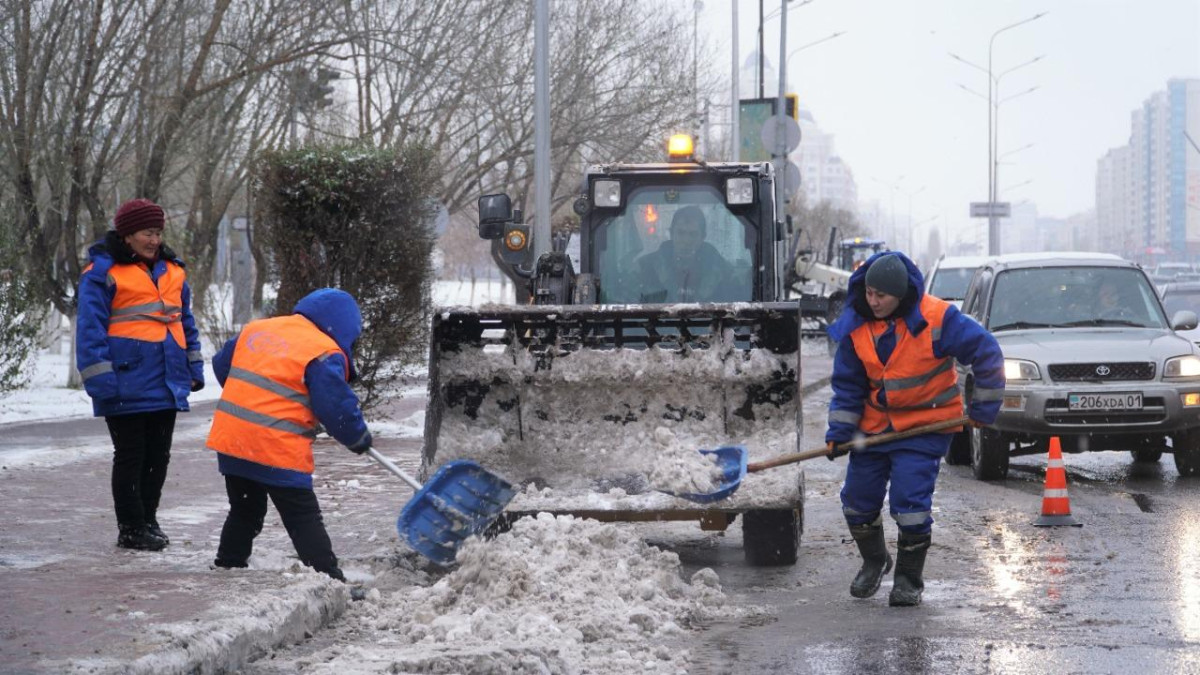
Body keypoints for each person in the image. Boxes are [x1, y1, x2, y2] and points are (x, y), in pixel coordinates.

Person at [825, 251, 1004, 607]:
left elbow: (987, 351)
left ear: (901, 294)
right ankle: (875, 561)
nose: (872, 301)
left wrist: (983, 409)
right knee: (857, 504)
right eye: (869, 293)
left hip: (926, 427)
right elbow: (848, 384)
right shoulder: (858, 324)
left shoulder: (938, 318)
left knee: (910, 505)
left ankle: (908, 579)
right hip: (875, 429)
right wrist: (839, 433)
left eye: (881, 296)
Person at [207, 288, 371, 581]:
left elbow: (222, 366)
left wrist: (251, 401)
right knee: (302, 516)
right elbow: (335, 405)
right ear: (343, 326)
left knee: (245, 509)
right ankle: (329, 577)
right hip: (276, 445)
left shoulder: (258, 329)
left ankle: (229, 563)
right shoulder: (322, 350)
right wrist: (357, 436)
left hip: (233, 438)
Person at [76, 198, 204, 551]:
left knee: (158, 457)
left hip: (167, 380)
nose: (155, 240)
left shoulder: (173, 271)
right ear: (127, 235)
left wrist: (193, 367)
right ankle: (131, 527)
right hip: (124, 381)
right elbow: (90, 331)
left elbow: (185, 323)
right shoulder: (101, 273)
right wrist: (101, 382)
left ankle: (148, 519)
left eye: (159, 233)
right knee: (131, 456)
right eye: (148, 232)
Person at [636, 206, 734, 303]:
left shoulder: (722, 272)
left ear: (703, 237)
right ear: (671, 234)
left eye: (693, 234)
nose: (686, 241)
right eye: (680, 233)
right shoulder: (645, 268)